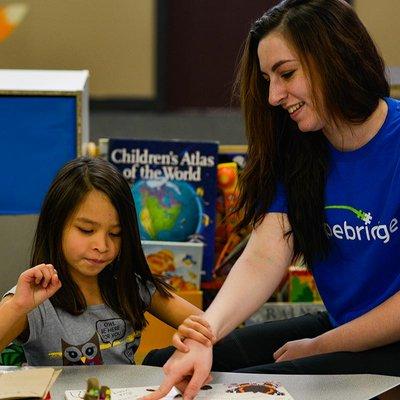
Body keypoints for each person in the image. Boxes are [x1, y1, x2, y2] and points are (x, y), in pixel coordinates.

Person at [142, 0, 400, 398]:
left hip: (384, 340)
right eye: (267, 79)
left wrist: (321, 347)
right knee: (164, 365)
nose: (274, 96)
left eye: (286, 73)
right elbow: (264, 256)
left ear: (336, 56)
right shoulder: (301, 148)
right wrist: (202, 338)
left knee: (253, 387)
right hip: (340, 324)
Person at [0, 157, 214, 366]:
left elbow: (212, 326)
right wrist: (18, 306)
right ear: (55, 226)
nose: (102, 246)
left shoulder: (129, 285)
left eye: (115, 233)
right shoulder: (31, 300)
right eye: (86, 230)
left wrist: (193, 334)